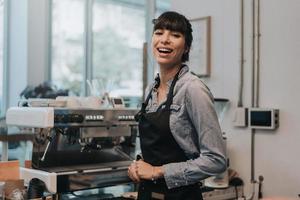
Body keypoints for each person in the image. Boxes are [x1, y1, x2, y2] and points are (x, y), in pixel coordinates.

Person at [128, 11, 226, 200]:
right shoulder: (151, 88)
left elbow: (216, 160)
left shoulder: (193, 89)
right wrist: (139, 165)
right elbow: (155, 147)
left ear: (186, 47)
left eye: (175, 35)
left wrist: (157, 171)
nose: (164, 40)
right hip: (148, 194)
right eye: (159, 32)